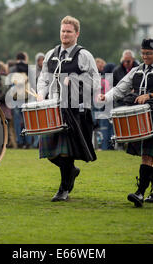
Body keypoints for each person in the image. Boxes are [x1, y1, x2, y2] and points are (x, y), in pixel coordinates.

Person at [99, 38, 153, 207]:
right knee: (150, 156)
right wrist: (105, 97)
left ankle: (140, 193)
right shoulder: (136, 71)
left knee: (148, 155)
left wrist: (152, 96)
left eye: (148, 54)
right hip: (140, 120)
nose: (145, 56)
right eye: (142, 53)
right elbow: (121, 88)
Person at [37, 15, 100, 202]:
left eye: (69, 31)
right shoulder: (51, 54)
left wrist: (74, 82)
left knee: (66, 151)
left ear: (77, 34)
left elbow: (95, 81)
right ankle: (71, 172)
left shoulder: (84, 55)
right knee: (48, 151)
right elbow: (43, 78)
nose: (65, 34)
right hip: (52, 107)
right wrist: (41, 94)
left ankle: (63, 189)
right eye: (63, 31)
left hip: (75, 109)